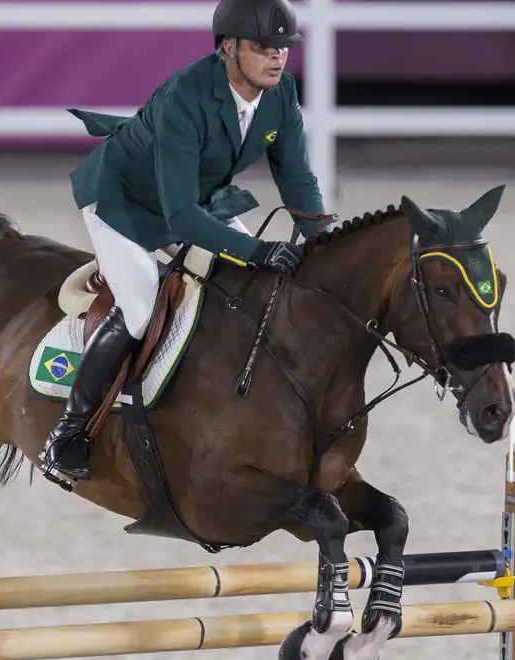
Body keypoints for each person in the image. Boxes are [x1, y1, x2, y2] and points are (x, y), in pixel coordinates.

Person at [39, 0, 328, 483]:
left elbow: (296, 177)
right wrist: (258, 250)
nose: (278, 57)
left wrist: (321, 235)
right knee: (139, 306)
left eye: (283, 48)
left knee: (244, 290)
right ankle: (68, 434)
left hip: (196, 200)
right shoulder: (185, 97)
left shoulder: (281, 93)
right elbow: (180, 216)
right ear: (228, 49)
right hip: (124, 201)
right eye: (264, 47)